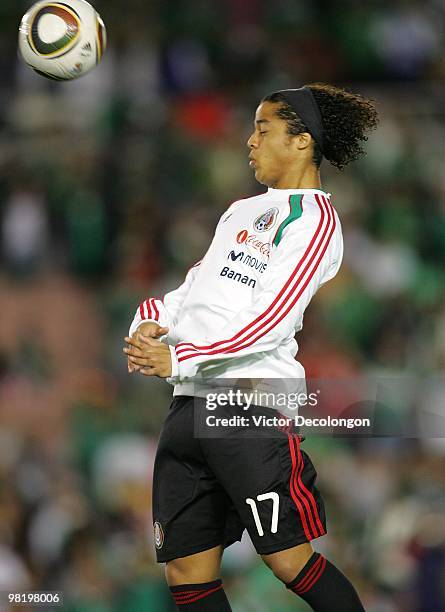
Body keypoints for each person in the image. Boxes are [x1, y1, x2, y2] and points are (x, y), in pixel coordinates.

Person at [124, 83, 378, 611]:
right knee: (186, 570)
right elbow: (193, 289)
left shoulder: (314, 221)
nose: (250, 141)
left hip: (248, 404)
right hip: (189, 402)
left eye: (263, 129)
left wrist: (179, 356)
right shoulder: (240, 211)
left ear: (302, 141)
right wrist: (151, 321)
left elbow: (269, 319)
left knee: (288, 559)